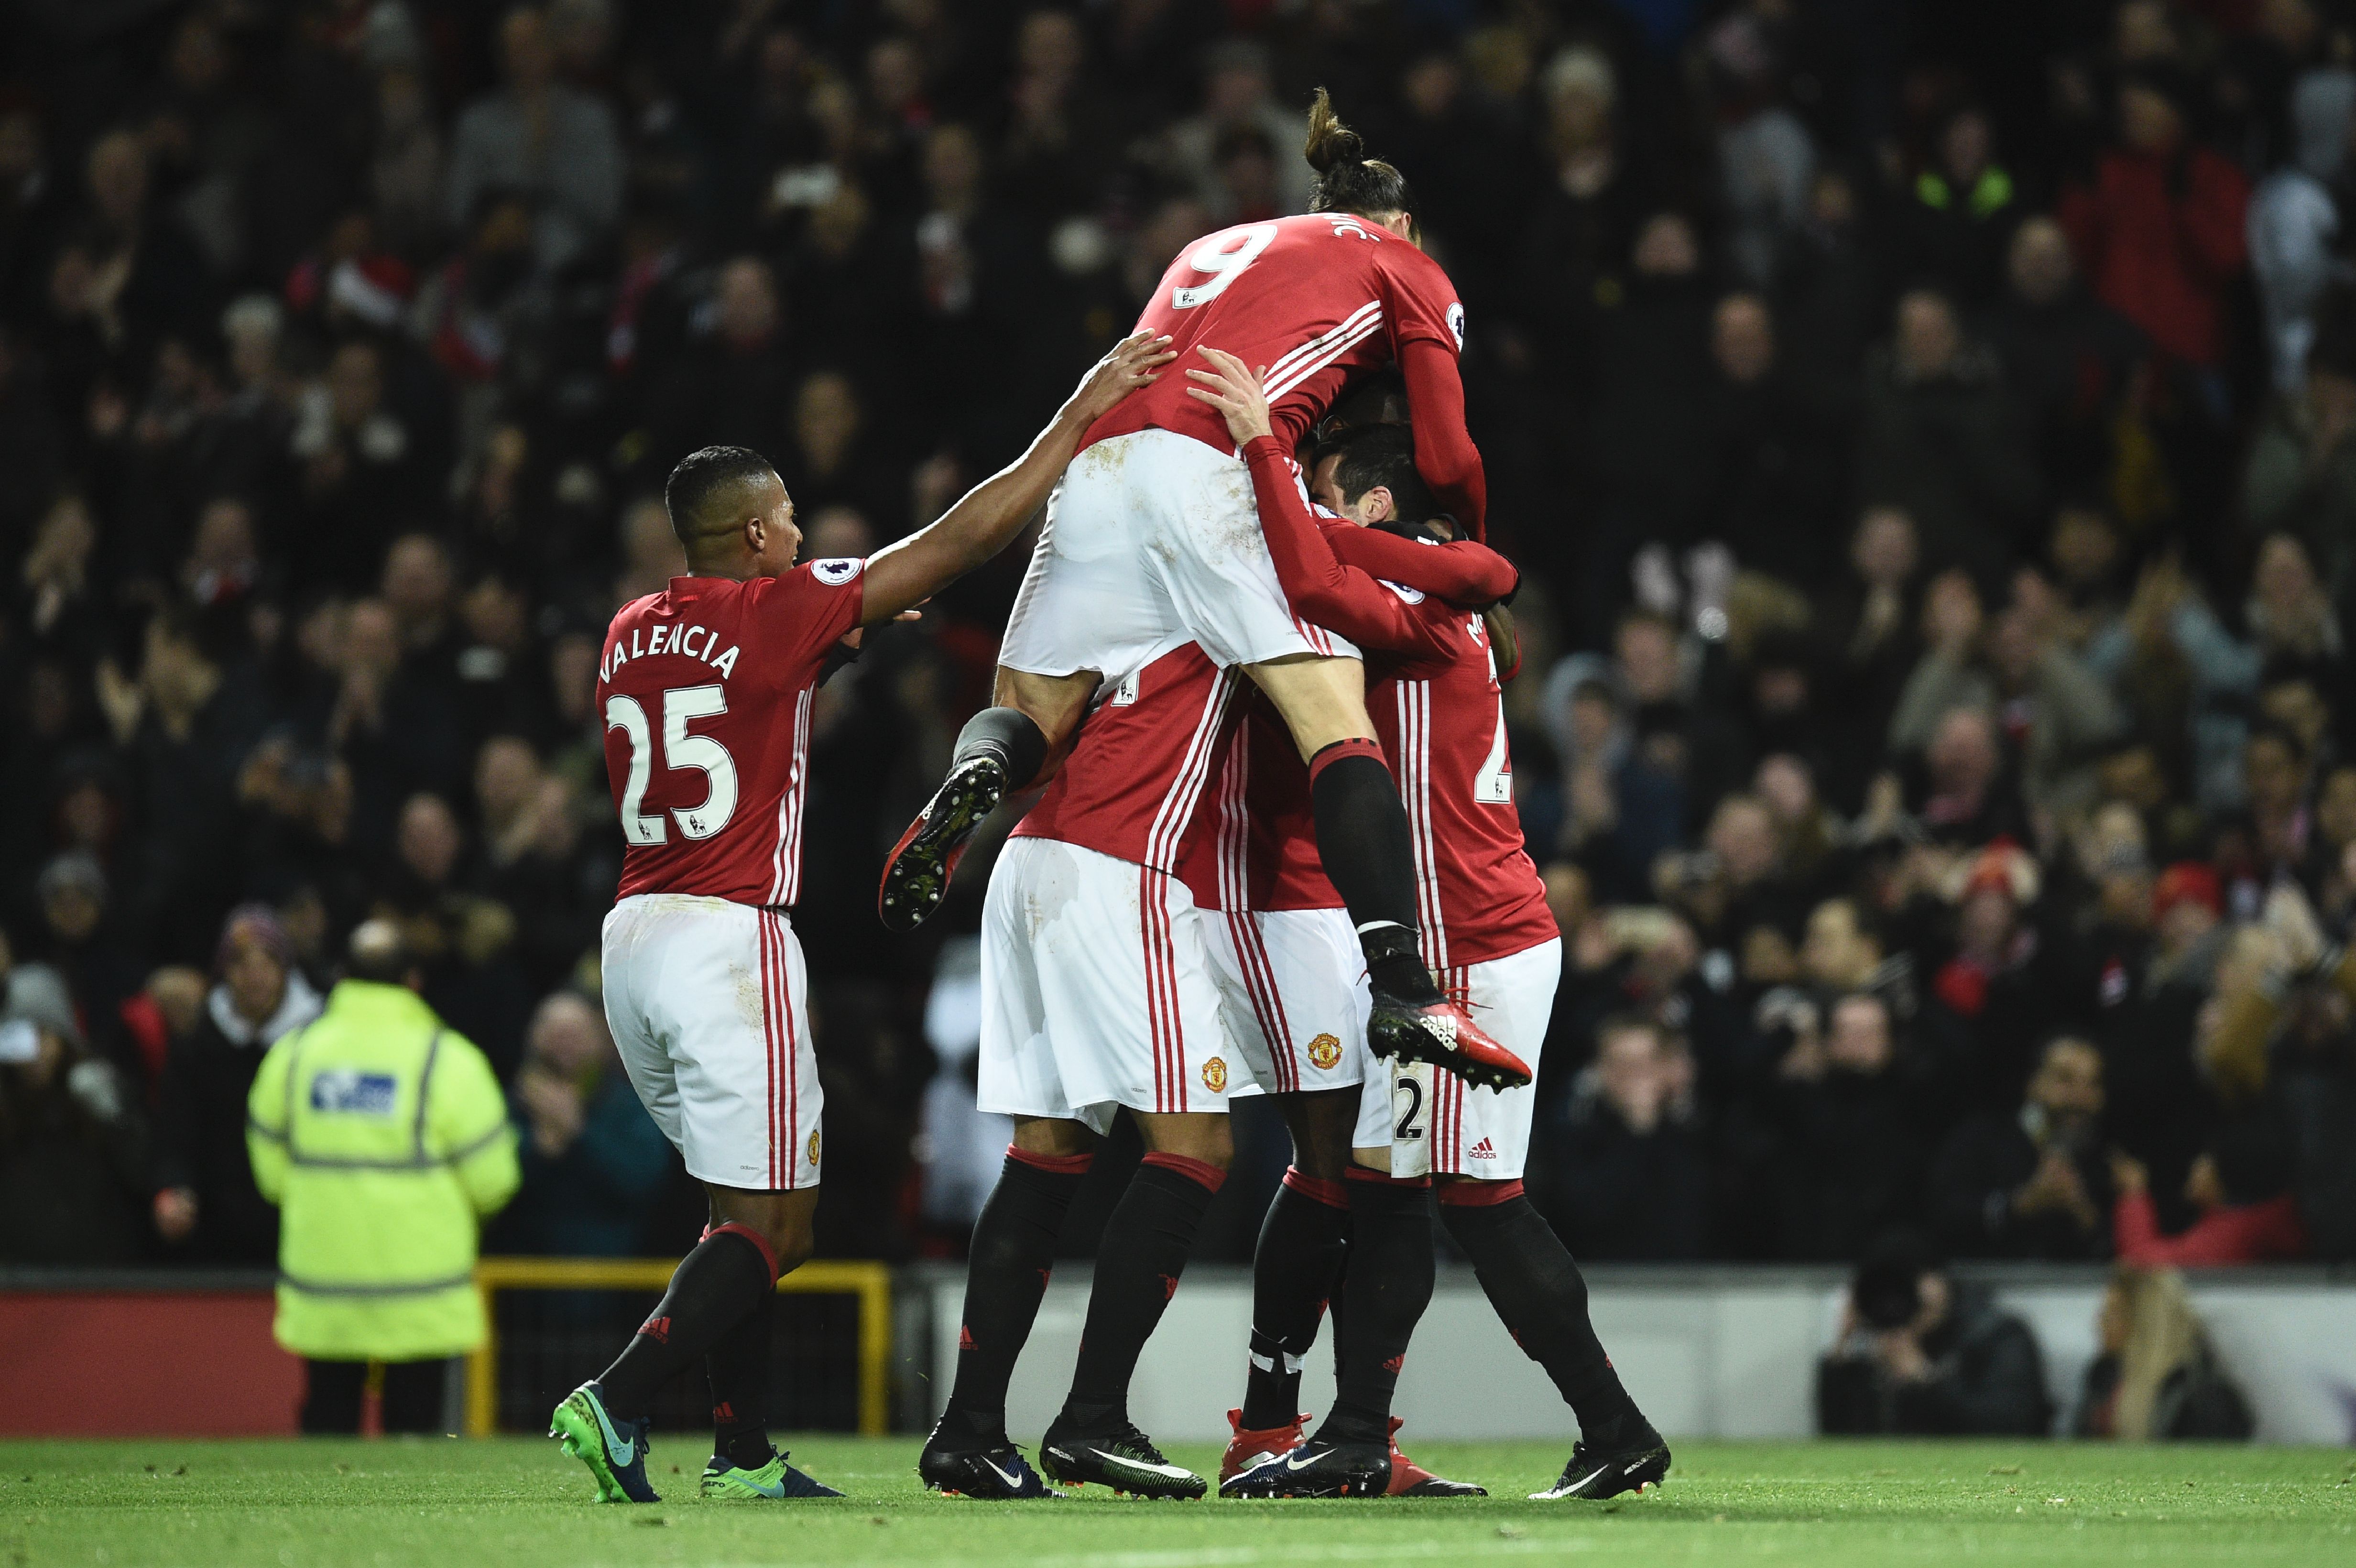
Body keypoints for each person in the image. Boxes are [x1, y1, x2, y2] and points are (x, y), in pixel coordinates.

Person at [553, 331, 1177, 1506]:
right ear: (751, 536)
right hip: (729, 940)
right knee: (779, 1229)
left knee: (732, 1211)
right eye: (787, 520)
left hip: (633, 936)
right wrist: (1077, 416)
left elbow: (736, 688)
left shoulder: (630, 628)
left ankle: (739, 1455)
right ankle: (619, 1397)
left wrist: (832, 636)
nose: (801, 536)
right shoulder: (778, 606)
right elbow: (960, 542)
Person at [874, 90, 1520, 1097]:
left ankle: (976, 777)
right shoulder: (1407, 264)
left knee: (1034, 710)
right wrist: (1469, 528)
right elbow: (1444, 448)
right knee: (1334, 727)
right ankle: (1403, 981)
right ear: (1400, 222)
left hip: (1101, 460)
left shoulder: (1218, 240)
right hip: (1214, 465)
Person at [1186, 363, 1668, 1502]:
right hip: (1457, 942)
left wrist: (1261, 446)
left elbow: (1307, 567)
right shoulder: (1454, 604)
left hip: (1481, 948)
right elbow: (1449, 543)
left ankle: (1616, 1424)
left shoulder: (1422, 619)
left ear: (1379, 509)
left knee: (1478, 1200)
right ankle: (1355, 1433)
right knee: (1387, 1183)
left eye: (1333, 491)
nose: (1320, 506)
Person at [246, 921, 519, 1435]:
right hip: (423, 1294)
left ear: (342, 976)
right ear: (413, 981)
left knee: (327, 1433)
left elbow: (268, 1165)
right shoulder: (449, 1060)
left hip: (325, 1288)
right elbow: (494, 1181)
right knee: (413, 1441)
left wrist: (308, 1196)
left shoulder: (296, 1054)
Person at [153, 905, 324, 1264]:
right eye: (240, 965)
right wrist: (175, 1189)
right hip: (218, 1236)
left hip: (305, 1229)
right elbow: (176, 1134)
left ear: (285, 971)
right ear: (223, 973)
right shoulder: (198, 1044)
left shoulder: (319, 1044)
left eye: (267, 964)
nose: (254, 977)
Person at [1816, 1235, 2051, 1436]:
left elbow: (2015, 1425)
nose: (1902, 1296)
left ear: (1941, 1279)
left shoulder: (1998, 1335)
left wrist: (1927, 1381)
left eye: (1912, 1278)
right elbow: (1839, 1440)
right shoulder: (1878, 1345)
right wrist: (1842, 1352)